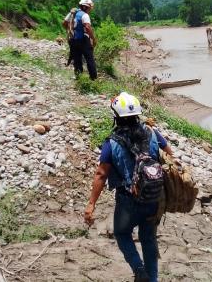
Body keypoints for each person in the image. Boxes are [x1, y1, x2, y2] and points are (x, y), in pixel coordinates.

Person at [84, 92, 173, 282]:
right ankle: (152, 279)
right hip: (153, 196)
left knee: (122, 233)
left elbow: (101, 174)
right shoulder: (151, 132)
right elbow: (168, 152)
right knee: (148, 238)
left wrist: (91, 204)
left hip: (128, 199)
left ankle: (139, 270)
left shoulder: (112, 142)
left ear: (115, 116)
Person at [68, 0, 97, 80]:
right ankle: (93, 78)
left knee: (77, 59)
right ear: (86, 7)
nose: (90, 10)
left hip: (74, 39)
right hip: (83, 40)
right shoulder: (85, 15)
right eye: (89, 8)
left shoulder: (74, 13)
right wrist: (93, 39)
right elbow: (87, 27)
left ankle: (79, 77)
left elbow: (65, 23)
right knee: (90, 59)